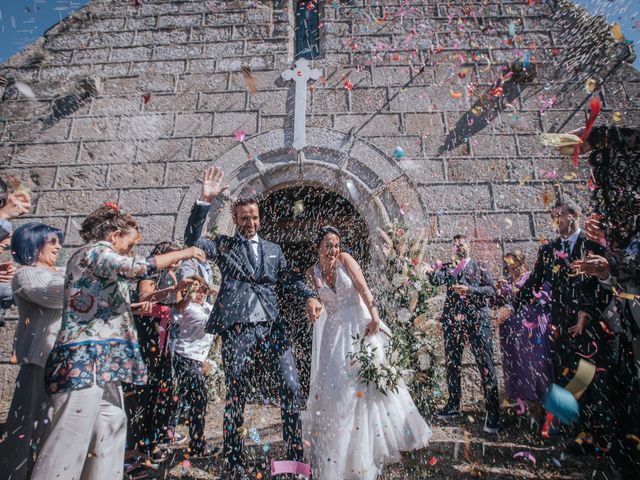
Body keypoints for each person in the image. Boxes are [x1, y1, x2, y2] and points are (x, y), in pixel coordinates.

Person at [30, 203, 205, 480]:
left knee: (112, 427)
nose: (132, 249)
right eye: (130, 242)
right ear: (113, 235)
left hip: (105, 365)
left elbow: (104, 306)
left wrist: (139, 307)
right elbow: (135, 267)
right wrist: (186, 252)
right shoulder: (95, 251)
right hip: (83, 362)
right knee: (70, 440)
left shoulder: (100, 264)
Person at [184, 166, 323, 480]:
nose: (250, 222)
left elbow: (289, 279)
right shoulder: (224, 245)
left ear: (260, 218)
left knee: (290, 386)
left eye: (254, 217)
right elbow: (191, 240)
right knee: (236, 392)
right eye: (244, 217)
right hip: (238, 327)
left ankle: (295, 463)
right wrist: (203, 203)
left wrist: (309, 296)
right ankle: (234, 463)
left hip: (272, 325)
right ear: (236, 219)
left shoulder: (274, 250)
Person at [303, 226, 432, 480]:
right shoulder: (312, 274)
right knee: (338, 390)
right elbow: (313, 300)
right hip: (334, 334)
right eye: (328, 245)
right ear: (317, 247)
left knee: (365, 384)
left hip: (359, 327)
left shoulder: (345, 260)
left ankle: (375, 444)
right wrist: (314, 307)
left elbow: (362, 288)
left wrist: (375, 317)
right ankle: (343, 451)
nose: (333, 249)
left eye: (336, 244)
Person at [558, 125, 640, 479]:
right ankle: (602, 442)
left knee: (602, 384)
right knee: (602, 386)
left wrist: (602, 135)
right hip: (611, 325)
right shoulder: (615, 232)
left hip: (605, 323)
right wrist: (606, 271)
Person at [494, 198, 609, 447]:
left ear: (575, 215)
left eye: (560, 215)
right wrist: (510, 305)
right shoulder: (548, 250)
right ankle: (573, 435)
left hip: (588, 326)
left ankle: (599, 435)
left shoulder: (592, 245)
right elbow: (533, 283)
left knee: (590, 378)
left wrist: (585, 314)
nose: (556, 221)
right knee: (565, 378)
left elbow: (600, 285)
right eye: (553, 216)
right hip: (560, 327)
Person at [0, 223, 65, 480]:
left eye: (58, 242)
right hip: (38, 360)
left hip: (60, 360)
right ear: (32, 244)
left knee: (51, 425)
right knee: (24, 425)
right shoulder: (26, 274)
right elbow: (53, 296)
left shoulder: (60, 273)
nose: (58, 247)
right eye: (51, 242)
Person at [424, 234, 501, 433]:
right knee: (452, 363)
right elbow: (436, 280)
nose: (458, 246)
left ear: (469, 246)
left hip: (477, 320)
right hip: (453, 322)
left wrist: (470, 290)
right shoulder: (449, 267)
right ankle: (453, 404)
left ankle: (493, 411)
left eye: (462, 243)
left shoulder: (479, 266)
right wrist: (426, 271)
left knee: (485, 364)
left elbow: (492, 291)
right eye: (455, 244)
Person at [123, 241, 190, 469]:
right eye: (174, 255)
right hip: (148, 333)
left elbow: (179, 306)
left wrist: (187, 291)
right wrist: (172, 290)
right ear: (162, 255)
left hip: (165, 335)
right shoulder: (151, 272)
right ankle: (136, 446)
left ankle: (154, 438)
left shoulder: (172, 275)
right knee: (144, 390)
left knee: (164, 388)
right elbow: (145, 297)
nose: (178, 260)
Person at [493, 251, 554, 404]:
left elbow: (545, 296)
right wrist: (499, 293)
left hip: (532, 330)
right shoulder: (507, 283)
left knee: (537, 366)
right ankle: (526, 406)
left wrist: (525, 294)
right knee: (520, 368)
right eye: (509, 267)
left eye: (515, 266)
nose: (512, 270)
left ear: (522, 263)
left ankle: (545, 403)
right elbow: (499, 307)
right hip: (513, 332)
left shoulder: (531, 278)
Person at [171, 276, 217, 458]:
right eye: (197, 290)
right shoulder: (189, 309)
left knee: (187, 400)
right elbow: (212, 323)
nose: (202, 294)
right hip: (185, 358)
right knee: (199, 399)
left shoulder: (206, 306)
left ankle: (183, 437)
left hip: (194, 360)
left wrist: (213, 290)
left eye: (204, 290)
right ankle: (197, 444)